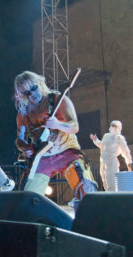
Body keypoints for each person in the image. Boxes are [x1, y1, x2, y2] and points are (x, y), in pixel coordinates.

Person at [14, 71, 97, 210]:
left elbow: (74, 126)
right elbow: (20, 139)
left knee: (86, 185)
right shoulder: (24, 112)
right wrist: (25, 148)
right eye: (26, 93)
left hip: (67, 151)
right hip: (42, 156)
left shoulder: (58, 99)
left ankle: (88, 222)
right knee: (28, 197)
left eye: (33, 88)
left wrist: (58, 124)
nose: (32, 94)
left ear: (40, 83)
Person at [90, 120, 132, 191]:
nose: (112, 128)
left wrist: (129, 162)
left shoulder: (119, 138)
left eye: (114, 126)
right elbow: (102, 145)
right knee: (105, 182)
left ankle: (114, 198)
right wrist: (96, 140)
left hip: (112, 163)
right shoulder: (106, 136)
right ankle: (108, 198)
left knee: (112, 183)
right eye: (112, 126)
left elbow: (125, 151)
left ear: (118, 127)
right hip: (103, 161)